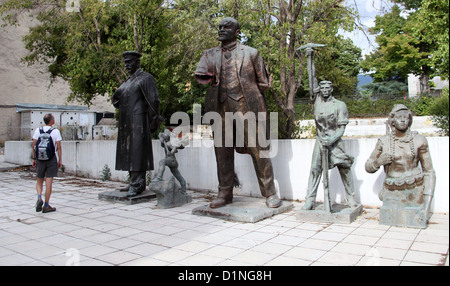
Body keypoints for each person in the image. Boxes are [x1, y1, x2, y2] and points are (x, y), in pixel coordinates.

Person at [195, 17, 281, 208]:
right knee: (222, 153)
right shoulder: (209, 55)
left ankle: (270, 193)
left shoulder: (251, 53)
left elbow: (262, 83)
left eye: (226, 27)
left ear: (236, 32)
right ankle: (224, 194)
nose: (221, 30)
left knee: (260, 151)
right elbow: (200, 73)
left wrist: (265, 84)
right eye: (219, 27)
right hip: (220, 109)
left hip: (247, 107)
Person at [365, 104, 436, 226]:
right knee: (389, 215)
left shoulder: (419, 140)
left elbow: (429, 172)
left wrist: (426, 206)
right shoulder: (384, 141)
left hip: (415, 191)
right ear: (392, 121)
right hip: (392, 191)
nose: (403, 120)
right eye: (399, 117)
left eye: (406, 117)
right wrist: (378, 162)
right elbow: (368, 166)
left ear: (410, 120)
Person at [302, 81, 358, 210]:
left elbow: (341, 128)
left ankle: (350, 198)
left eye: (327, 88)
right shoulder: (317, 103)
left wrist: (332, 139)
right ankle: (310, 200)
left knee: (344, 168)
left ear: (331, 89)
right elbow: (312, 77)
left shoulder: (340, 105)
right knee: (315, 169)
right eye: (322, 88)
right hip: (320, 141)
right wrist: (310, 60)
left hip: (335, 141)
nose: (325, 90)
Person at [112, 51, 160, 197]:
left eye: (130, 62)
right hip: (126, 121)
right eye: (125, 62)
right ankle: (133, 181)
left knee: (138, 151)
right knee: (128, 152)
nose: (127, 65)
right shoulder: (128, 81)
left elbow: (153, 100)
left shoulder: (146, 78)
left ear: (137, 62)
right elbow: (117, 97)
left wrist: (153, 119)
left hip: (139, 121)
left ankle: (138, 184)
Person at [31, 113, 62, 213]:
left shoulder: (38, 130)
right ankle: (46, 205)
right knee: (49, 182)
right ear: (51, 120)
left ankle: (39, 197)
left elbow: (34, 145)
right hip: (51, 158)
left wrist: (34, 158)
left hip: (40, 158)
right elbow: (59, 147)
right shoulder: (55, 131)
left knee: (39, 181)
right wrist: (60, 159)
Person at [154, 129, 187, 195]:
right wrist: (161, 138)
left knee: (162, 162)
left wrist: (172, 151)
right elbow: (160, 134)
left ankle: (159, 177)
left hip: (172, 161)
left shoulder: (171, 143)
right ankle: (183, 191)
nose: (164, 138)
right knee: (178, 176)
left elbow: (175, 149)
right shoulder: (164, 142)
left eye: (166, 137)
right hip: (170, 160)